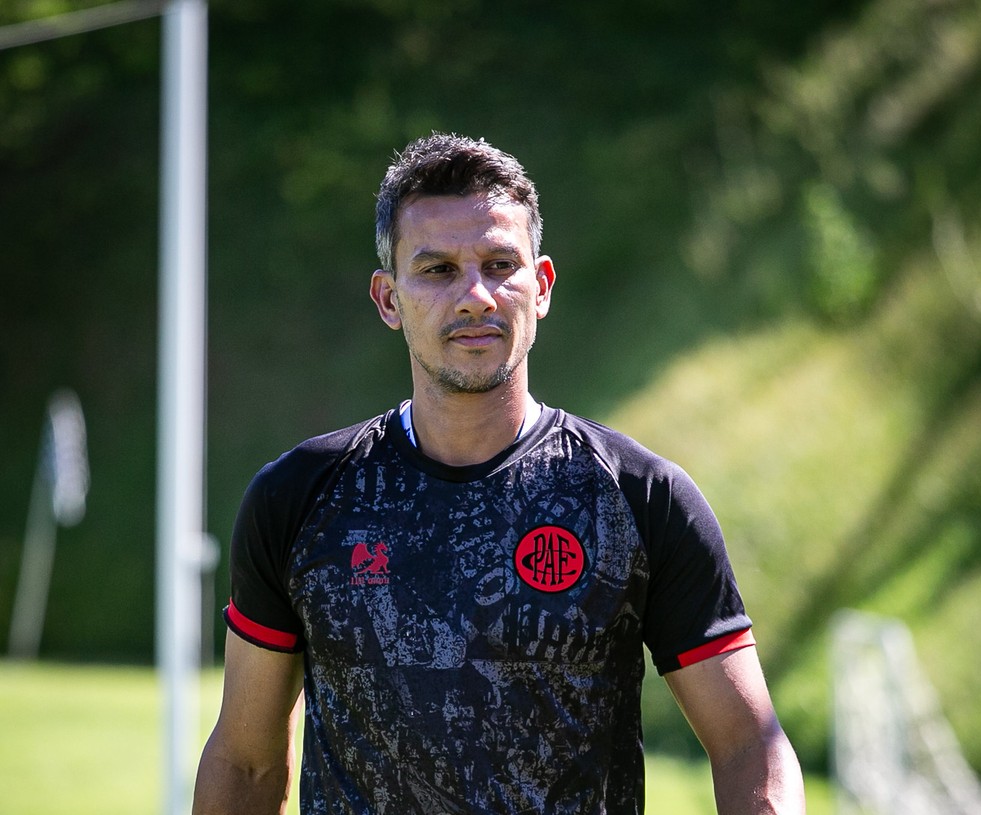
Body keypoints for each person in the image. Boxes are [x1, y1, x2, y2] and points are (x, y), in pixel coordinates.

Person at [192, 133, 805, 815]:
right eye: (438, 269)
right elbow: (246, 764)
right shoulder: (299, 498)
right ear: (388, 297)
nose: (476, 295)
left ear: (540, 287)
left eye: (499, 263)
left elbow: (750, 741)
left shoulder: (640, 498)